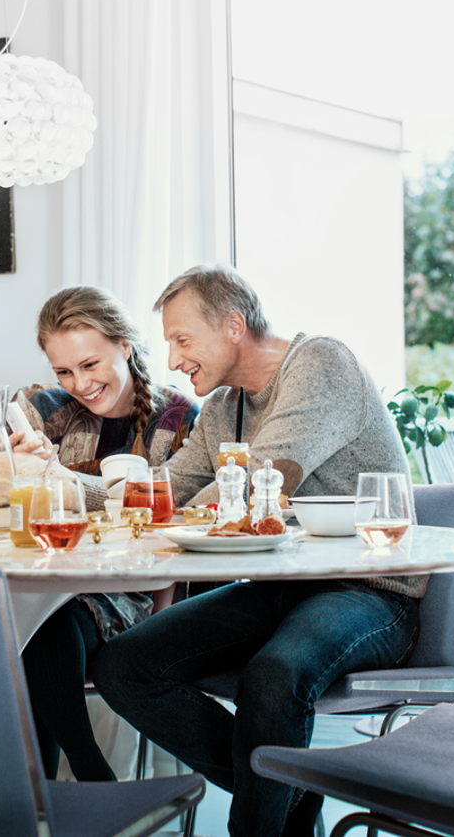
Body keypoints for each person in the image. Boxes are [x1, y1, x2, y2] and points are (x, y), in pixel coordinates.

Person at [93, 264, 420, 837]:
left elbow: (264, 479)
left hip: (370, 590)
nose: (171, 360)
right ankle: (293, 795)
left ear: (233, 325)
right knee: (126, 666)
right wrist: (65, 489)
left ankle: (262, 820)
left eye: (182, 339)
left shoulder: (321, 364)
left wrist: (182, 509)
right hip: (279, 587)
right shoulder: (224, 407)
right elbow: (168, 485)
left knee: (273, 676)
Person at [13, 286, 199, 783]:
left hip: (125, 592)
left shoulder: (175, 419)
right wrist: (7, 462)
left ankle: (71, 788)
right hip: (46, 585)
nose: (79, 383)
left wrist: (162, 630)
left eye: (90, 364)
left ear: (125, 346)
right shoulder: (42, 410)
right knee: (39, 614)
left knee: (44, 623)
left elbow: (174, 525)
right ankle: (79, 786)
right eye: (64, 371)